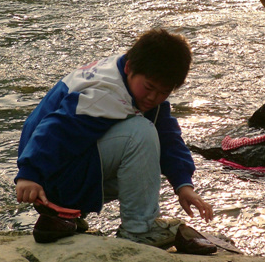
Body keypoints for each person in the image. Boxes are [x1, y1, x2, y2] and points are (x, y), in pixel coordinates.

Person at [15, 28, 213, 246]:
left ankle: (63, 216)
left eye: (163, 92)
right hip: (47, 177)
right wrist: (30, 174)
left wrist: (184, 185)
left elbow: (168, 137)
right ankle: (138, 230)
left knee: (150, 141)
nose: (153, 97)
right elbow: (54, 130)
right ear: (129, 68)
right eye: (149, 88)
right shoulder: (105, 92)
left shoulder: (129, 73)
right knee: (141, 132)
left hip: (58, 170)